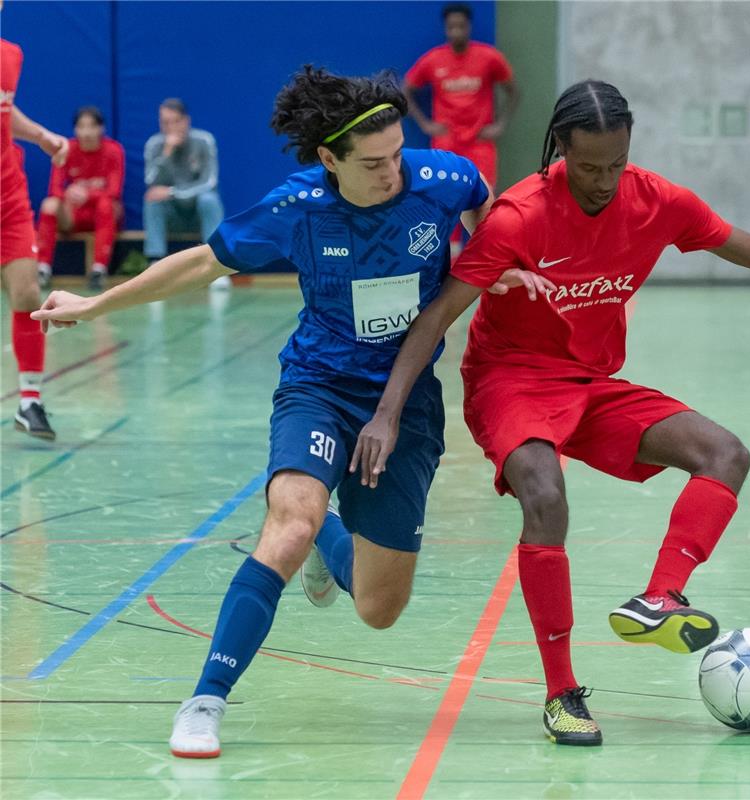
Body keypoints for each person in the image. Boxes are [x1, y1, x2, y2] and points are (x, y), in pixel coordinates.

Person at [350, 80, 750, 747]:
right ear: (560, 150)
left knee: (726, 454)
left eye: (616, 165)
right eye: (589, 166)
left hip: (591, 382)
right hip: (508, 380)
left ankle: (662, 596)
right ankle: (561, 695)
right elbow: (438, 316)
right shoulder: (518, 216)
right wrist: (385, 414)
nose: (603, 181)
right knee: (545, 494)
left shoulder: (657, 202)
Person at [32, 66, 547, 759]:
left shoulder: (441, 179)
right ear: (329, 160)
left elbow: (484, 201)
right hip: (320, 386)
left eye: (397, 154)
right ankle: (204, 700)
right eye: (373, 163)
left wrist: (495, 260)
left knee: (378, 609)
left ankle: (330, 540)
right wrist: (93, 304)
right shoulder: (296, 206)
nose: (392, 171)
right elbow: (199, 265)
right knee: (288, 520)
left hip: (406, 400)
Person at [1, 35, 68, 440]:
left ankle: (29, 401)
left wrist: (41, 136)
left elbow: (5, 112)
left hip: (8, 195)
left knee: (27, 294)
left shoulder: (11, 54)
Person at [404, 3, 518, 192]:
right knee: (444, 196)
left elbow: (513, 91)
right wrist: (425, 124)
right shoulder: (433, 60)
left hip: (479, 142)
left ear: (469, 26)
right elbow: (406, 90)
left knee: (484, 198)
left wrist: (500, 124)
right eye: (451, 27)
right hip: (446, 142)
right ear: (445, 28)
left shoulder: (489, 57)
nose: (456, 32)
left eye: (461, 26)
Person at [36, 106, 125, 291]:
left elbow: (114, 191)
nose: (87, 132)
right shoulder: (66, 149)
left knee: (106, 204)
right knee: (49, 205)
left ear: (101, 129)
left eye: (92, 126)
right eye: (81, 126)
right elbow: (54, 188)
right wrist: (68, 194)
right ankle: (42, 269)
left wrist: (88, 193)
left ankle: (98, 270)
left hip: (102, 214)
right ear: (75, 129)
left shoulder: (114, 150)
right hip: (72, 216)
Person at [143, 98, 225, 267]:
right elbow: (151, 181)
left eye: (176, 121)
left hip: (197, 211)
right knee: (152, 200)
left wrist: (173, 192)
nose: (171, 127)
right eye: (165, 122)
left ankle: (216, 261)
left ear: (186, 121)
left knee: (209, 199)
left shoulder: (204, 140)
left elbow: (210, 182)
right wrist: (166, 153)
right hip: (172, 214)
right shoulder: (154, 144)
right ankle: (155, 262)